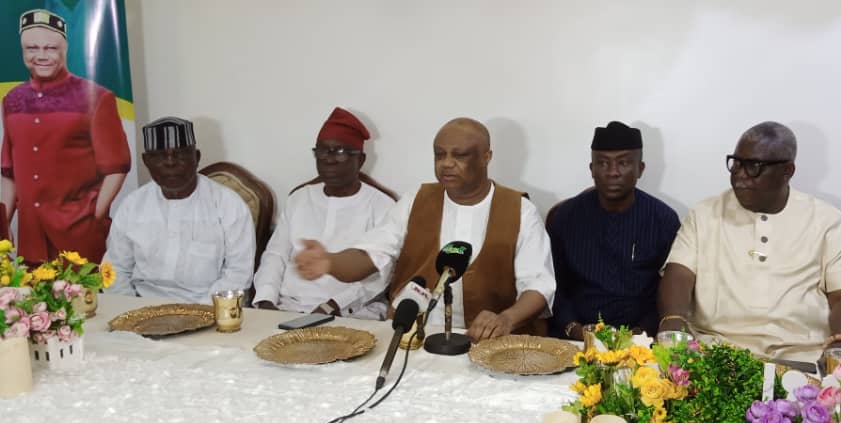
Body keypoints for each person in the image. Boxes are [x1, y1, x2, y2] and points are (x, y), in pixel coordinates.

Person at [294, 117, 554, 341]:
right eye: (439, 155)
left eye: (459, 155)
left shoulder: (519, 210)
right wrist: (330, 262)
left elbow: (538, 285)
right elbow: (370, 255)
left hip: (490, 342)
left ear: (487, 157)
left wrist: (506, 319)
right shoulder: (416, 201)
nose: (447, 163)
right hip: (415, 337)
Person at [657, 121, 841, 363]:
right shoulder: (705, 213)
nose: (739, 175)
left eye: (753, 167)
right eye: (736, 163)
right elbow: (679, 273)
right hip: (715, 352)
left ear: (787, 171)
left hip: (802, 356)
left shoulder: (827, 221)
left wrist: (840, 343)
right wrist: (673, 319)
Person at [1, 9, 131, 264]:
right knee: (31, 293)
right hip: (31, 239)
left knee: (86, 293)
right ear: (22, 51)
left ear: (65, 49)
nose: (41, 56)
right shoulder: (12, 100)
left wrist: (94, 216)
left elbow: (117, 167)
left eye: (50, 48)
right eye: (32, 48)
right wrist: (3, 226)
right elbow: (9, 171)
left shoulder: (97, 97)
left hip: (80, 240)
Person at [253, 108, 395, 318]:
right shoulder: (299, 199)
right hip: (287, 307)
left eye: (340, 152)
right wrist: (266, 300)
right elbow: (275, 255)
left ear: (361, 159)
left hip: (350, 312)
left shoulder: (382, 206)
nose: (329, 159)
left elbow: (379, 274)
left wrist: (332, 306)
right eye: (322, 151)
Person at [548, 121, 679, 339]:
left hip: (641, 340)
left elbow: (667, 291)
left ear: (640, 169)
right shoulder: (565, 216)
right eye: (603, 163)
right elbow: (553, 284)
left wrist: (640, 333)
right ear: (592, 169)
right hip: (576, 337)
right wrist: (574, 329)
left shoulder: (663, 220)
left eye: (623, 163)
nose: (612, 173)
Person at [104, 117, 254, 304]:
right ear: (146, 161)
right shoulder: (132, 206)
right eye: (160, 156)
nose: (170, 162)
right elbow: (114, 268)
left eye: (180, 154)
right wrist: (130, 308)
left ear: (196, 157)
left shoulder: (229, 205)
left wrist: (195, 314)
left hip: (206, 309)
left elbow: (238, 275)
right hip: (140, 306)